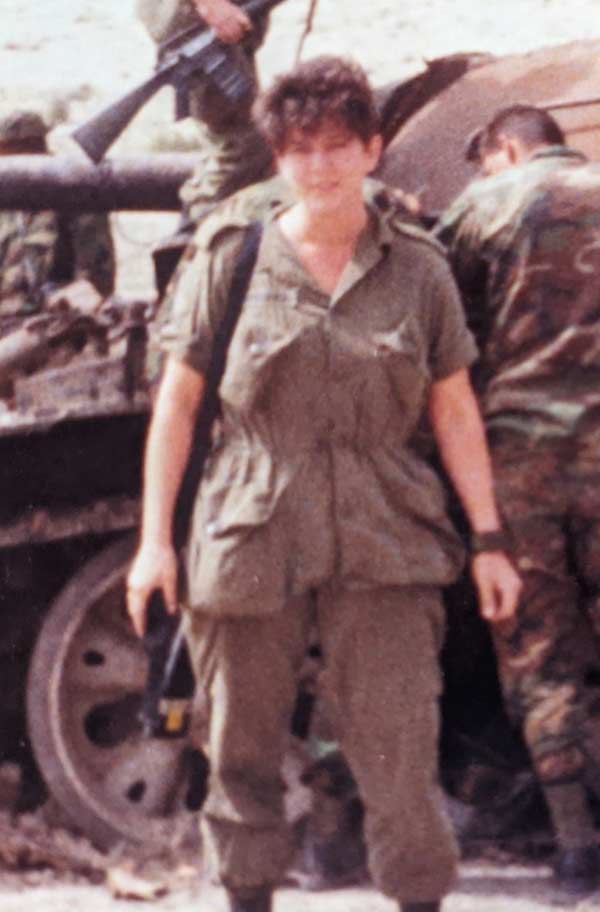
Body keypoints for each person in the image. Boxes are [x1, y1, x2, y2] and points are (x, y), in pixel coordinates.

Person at [127, 57, 520, 912]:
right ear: (278, 157)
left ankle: (417, 898)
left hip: (386, 530)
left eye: (340, 145)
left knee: (399, 752)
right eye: (301, 148)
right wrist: (155, 542)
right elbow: (179, 407)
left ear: (373, 150)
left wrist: (489, 539)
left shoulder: (419, 268)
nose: (321, 166)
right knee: (238, 752)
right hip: (249, 525)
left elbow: (454, 409)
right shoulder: (231, 258)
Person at [436, 103, 600, 895]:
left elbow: (434, 308)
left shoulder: (486, 202)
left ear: (504, 148)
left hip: (520, 460)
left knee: (539, 648)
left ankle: (576, 849)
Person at [136, 0, 274, 224]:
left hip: (217, 20)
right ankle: (196, 233)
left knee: (243, 145)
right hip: (199, 21)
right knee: (244, 146)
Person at [0, 108, 115, 322]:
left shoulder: (73, 195)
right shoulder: (6, 201)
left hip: (57, 319)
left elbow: (95, 278)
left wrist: (70, 305)